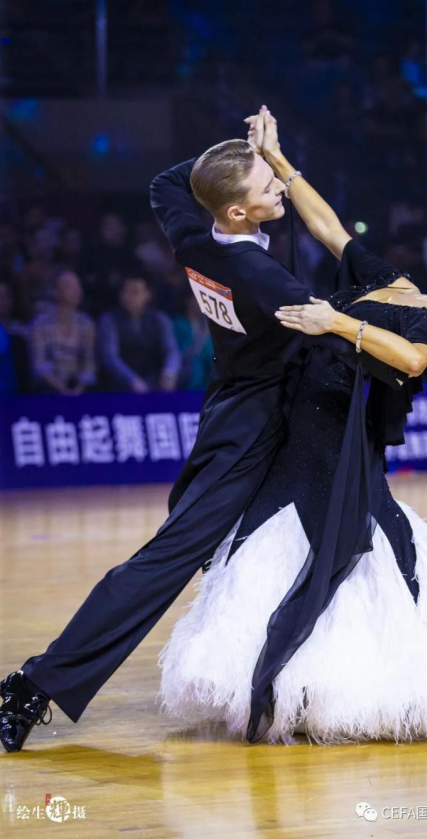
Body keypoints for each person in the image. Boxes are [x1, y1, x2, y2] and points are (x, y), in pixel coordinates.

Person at [158, 109, 427, 746]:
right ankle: (309, 682)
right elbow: (330, 229)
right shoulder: (401, 287)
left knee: (387, 563)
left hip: (333, 443)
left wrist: (337, 323)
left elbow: (411, 359)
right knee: (318, 558)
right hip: (299, 432)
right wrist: (279, 161)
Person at [0, 108, 374, 753]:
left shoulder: (194, 236)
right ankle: (32, 686)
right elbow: (333, 323)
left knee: (319, 542)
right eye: (268, 185)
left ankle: (299, 683)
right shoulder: (259, 275)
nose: (280, 185)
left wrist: (246, 152)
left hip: (238, 405)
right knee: (169, 558)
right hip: (257, 426)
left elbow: (168, 183)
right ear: (238, 213)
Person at [98, 275, 180, 393]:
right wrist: (132, 380)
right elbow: (110, 357)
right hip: (120, 385)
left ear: (147, 295)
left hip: (154, 381)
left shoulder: (160, 319)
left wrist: (169, 372)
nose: (129, 297)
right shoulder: (109, 320)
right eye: (125, 291)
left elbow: (172, 351)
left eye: (135, 292)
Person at [29, 269, 96, 395]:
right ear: (56, 292)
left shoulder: (87, 324)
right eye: (70, 286)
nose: (77, 291)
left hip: (79, 390)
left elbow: (89, 364)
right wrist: (62, 389)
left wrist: (79, 389)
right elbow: (39, 365)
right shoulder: (39, 324)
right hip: (47, 390)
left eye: (78, 286)